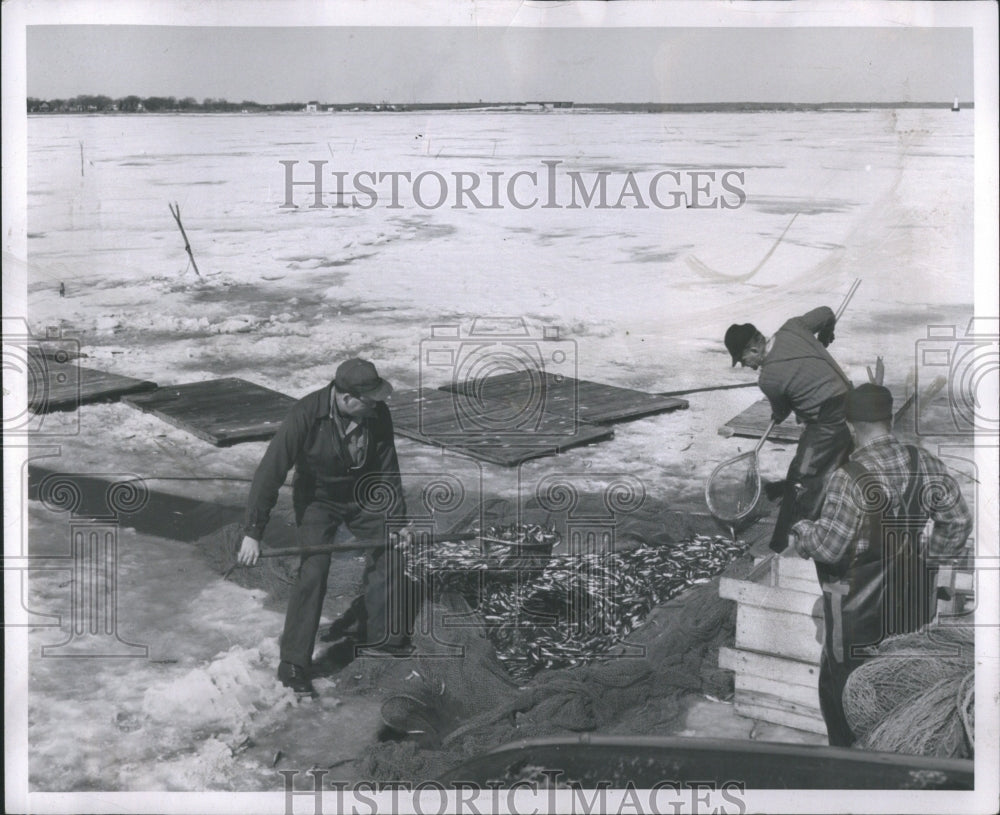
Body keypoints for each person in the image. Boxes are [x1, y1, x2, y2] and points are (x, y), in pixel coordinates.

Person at [790, 384, 973, 746]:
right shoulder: (925, 463)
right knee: (900, 685)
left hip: (856, 617)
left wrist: (802, 531)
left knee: (843, 692)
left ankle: (849, 766)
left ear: (850, 426)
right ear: (888, 420)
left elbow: (829, 547)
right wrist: (929, 561)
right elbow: (958, 521)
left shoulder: (851, 476)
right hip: (912, 610)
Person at [237, 358, 415, 695]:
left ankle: (384, 638)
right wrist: (252, 531)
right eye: (370, 399)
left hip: (363, 496)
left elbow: (388, 469)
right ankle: (293, 662)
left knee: (391, 550)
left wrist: (398, 522)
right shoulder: (306, 414)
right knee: (314, 569)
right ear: (347, 398)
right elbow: (269, 472)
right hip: (318, 499)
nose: (377, 404)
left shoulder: (377, 414)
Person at [724, 305, 853, 552]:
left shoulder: (768, 379)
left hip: (829, 422)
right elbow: (826, 312)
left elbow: (781, 411)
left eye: (744, 360)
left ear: (754, 348)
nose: (747, 366)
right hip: (851, 401)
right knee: (823, 466)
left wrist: (780, 413)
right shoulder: (794, 326)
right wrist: (825, 335)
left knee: (800, 476)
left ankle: (787, 545)